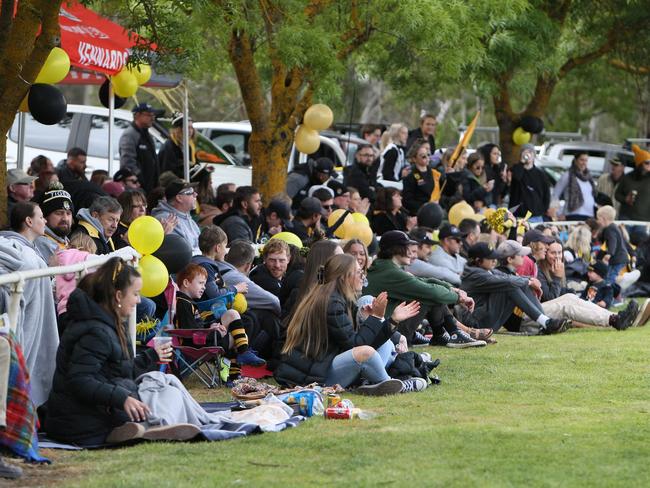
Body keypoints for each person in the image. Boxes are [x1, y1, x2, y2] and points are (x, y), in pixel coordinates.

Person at [46, 258, 203, 446]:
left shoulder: (108, 324)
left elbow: (119, 371)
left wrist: (152, 356)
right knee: (164, 391)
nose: (138, 300)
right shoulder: (95, 331)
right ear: (119, 296)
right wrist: (122, 398)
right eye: (135, 294)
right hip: (82, 422)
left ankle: (154, 426)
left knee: (166, 383)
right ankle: (156, 426)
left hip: (97, 410)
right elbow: (80, 380)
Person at [275, 254, 425, 394]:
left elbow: (359, 341)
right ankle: (392, 384)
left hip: (323, 366)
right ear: (344, 277)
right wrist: (375, 317)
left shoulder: (337, 298)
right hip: (313, 377)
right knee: (366, 352)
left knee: (384, 345)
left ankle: (371, 381)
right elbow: (357, 346)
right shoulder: (331, 303)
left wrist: (392, 321)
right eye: (359, 273)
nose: (363, 277)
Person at [364, 230, 484, 347]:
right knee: (428, 295)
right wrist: (459, 298)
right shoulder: (389, 272)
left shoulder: (385, 267)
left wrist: (454, 290)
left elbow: (423, 281)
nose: (411, 253)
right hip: (386, 335)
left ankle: (445, 334)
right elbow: (431, 291)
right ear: (395, 249)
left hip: (383, 329)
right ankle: (450, 333)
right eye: (406, 247)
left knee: (429, 293)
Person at [0, 202, 59, 407]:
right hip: (22, 326)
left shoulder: (27, 250)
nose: (44, 221)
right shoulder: (26, 256)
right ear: (29, 221)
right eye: (41, 217)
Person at [174, 264, 265, 378]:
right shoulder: (183, 304)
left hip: (202, 339)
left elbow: (196, 326)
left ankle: (243, 353)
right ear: (186, 283)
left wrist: (211, 326)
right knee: (239, 338)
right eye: (200, 283)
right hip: (198, 344)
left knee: (232, 313)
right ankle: (234, 372)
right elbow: (190, 333)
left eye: (204, 283)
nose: (204, 287)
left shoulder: (187, 302)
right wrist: (214, 333)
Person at [460, 242, 570, 334]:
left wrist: (529, 280)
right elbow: (509, 281)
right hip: (476, 324)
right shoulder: (475, 274)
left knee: (517, 283)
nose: (494, 260)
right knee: (512, 285)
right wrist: (531, 281)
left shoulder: (483, 269)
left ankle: (545, 323)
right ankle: (545, 322)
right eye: (490, 258)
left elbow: (509, 277)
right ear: (478, 260)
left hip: (485, 318)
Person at [191, 225, 248, 302]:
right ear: (218, 247)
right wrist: (236, 288)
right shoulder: (205, 266)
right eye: (225, 246)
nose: (225, 251)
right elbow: (215, 294)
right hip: (205, 311)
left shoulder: (198, 262)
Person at [119, 103, 161, 193]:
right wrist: (139, 179)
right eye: (149, 115)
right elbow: (127, 162)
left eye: (153, 115)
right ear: (137, 115)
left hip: (150, 186)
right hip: (138, 188)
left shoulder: (147, 134)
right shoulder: (130, 134)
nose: (152, 118)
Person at [151, 180, 201, 253]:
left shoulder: (187, 217)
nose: (195, 194)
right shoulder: (165, 219)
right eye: (190, 192)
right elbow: (181, 252)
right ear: (179, 198)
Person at [508, 144, 551, 220]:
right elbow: (517, 178)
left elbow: (546, 194)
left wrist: (542, 210)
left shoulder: (541, 174)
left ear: (534, 155)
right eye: (525, 152)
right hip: (518, 215)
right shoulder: (515, 169)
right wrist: (521, 162)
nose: (527, 154)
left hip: (535, 215)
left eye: (530, 152)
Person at [34, 183, 74, 264]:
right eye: (59, 213)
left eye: (68, 213)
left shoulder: (64, 240)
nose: (65, 218)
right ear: (45, 216)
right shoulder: (42, 242)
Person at [552, 152, 597, 220]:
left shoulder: (589, 177)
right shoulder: (568, 175)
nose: (584, 163)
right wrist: (558, 213)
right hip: (573, 215)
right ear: (575, 160)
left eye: (586, 160)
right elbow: (555, 194)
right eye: (581, 160)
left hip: (589, 215)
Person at [402, 140, 442, 215]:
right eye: (423, 156)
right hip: (418, 213)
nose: (427, 158)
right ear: (414, 159)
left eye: (428, 154)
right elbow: (407, 200)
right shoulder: (410, 176)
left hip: (434, 210)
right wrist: (424, 206)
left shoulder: (434, 173)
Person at [615, 144, 650, 222]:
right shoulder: (627, 177)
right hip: (626, 217)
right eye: (647, 163)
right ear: (640, 164)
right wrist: (625, 199)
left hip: (644, 221)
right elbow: (617, 195)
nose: (649, 166)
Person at [596, 205, 629, 285]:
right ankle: (614, 289)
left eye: (598, 219)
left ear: (604, 218)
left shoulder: (609, 229)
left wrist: (609, 253)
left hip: (617, 258)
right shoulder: (614, 227)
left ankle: (610, 291)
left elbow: (612, 242)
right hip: (620, 257)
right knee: (610, 275)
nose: (598, 221)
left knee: (610, 277)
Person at [158, 113, 197, 178]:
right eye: (187, 128)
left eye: (191, 128)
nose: (190, 131)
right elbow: (169, 170)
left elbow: (195, 163)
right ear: (178, 129)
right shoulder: (169, 146)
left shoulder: (189, 146)